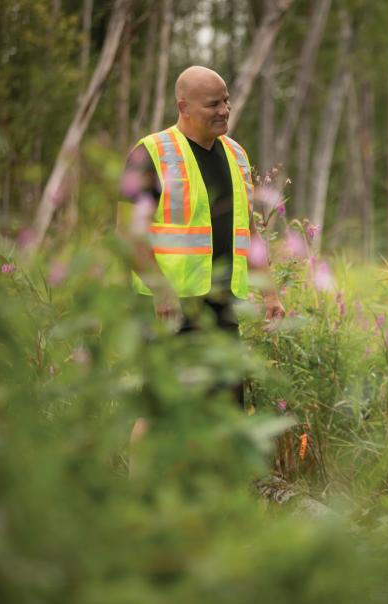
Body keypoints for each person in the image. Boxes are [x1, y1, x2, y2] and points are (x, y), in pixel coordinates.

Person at [117, 66, 284, 446]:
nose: (225, 109)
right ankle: (140, 497)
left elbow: (249, 229)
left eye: (226, 100)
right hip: (169, 309)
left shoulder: (237, 154)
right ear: (184, 107)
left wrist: (270, 292)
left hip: (223, 306)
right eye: (214, 104)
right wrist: (160, 290)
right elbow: (127, 233)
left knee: (224, 409)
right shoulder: (150, 154)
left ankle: (211, 499)